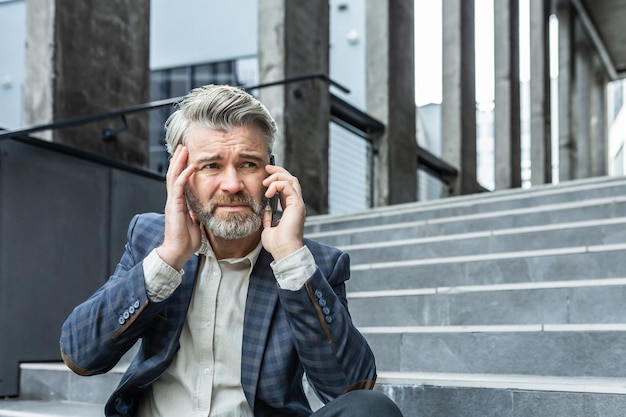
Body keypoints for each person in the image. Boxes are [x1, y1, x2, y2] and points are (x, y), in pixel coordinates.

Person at [60, 84, 404, 417]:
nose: (232, 184)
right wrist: (168, 258)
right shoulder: (150, 238)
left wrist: (291, 261)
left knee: (372, 410)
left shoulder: (314, 264)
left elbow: (348, 387)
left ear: (272, 171)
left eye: (248, 164)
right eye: (211, 165)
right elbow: (81, 355)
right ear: (180, 175)